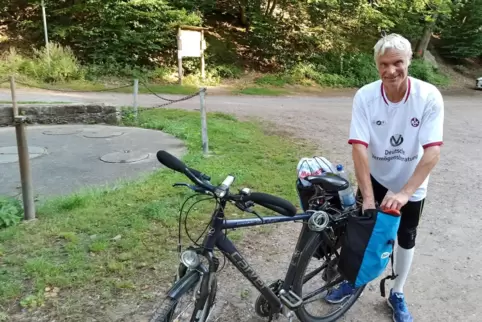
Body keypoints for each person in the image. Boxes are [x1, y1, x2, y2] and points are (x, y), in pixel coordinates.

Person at [324, 33, 444, 322]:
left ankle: (398, 291)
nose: (391, 70)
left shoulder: (428, 96)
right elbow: (359, 147)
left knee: (406, 236)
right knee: (360, 229)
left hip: (411, 183)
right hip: (375, 176)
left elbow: (432, 153)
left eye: (398, 62)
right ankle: (353, 279)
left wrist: (403, 193)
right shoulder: (366, 96)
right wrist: (367, 196)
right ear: (376, 65)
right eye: (384, 64)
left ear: (409, 61)